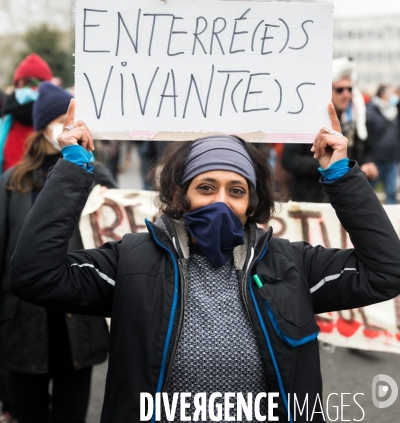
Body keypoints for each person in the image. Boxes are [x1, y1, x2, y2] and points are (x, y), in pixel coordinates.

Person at [9, 100, 400, 423]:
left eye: (236, 190)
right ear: (180, 197)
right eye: (206, 187)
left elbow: (385, 271)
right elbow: (35, 274)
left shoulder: (292, 264)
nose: (220, 202)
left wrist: (339, 174)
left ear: (251, 205)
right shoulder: (130, 262)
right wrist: (74, 168)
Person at [0, 83, 115, 423]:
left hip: (76, 325)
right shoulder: (12, 182)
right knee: (27, 412)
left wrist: (86, 163)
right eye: (59, 120)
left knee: (71, 413)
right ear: (43, 128)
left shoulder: (96, 176)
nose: (67, 128)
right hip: (23, 321)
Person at [282, 57, 377, 202]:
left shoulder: (358, 120)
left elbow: (366, 150)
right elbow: (289, 159)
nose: (346, 94)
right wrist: (329, 166)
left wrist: (366, 165)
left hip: (346, 200)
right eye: (339, 89)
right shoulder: (306, 120)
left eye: (349, 89)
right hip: (311, 200)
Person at [0, 53, 53, 174]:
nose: (28, 89)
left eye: (34, 83)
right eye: (22, 83)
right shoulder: (6, 120)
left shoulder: (55, 120)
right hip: (8, 187)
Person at [366, 84, 400, 204]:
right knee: (369, 192)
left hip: (392, 159)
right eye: (390, 93)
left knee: (391, 193)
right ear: (383, 94)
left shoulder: (395, 111)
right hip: (377, 159)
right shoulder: (371, 111)